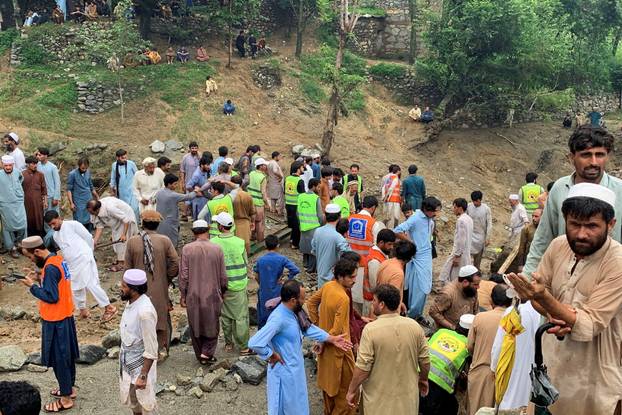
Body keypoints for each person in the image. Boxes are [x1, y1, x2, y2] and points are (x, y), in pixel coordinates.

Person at [507, 182, 622, 414]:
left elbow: (590, 323)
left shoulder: (617, 262)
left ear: (610, 225)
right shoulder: (559, 245)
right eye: (575, 224)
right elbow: (540, 292)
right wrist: (551, 311)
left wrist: (545, 300)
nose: (581, 234)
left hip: (591, 383)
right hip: (550, 373)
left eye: (592, 226)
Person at [524, 125, 622, 276]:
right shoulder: (559, 189)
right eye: (586, 155)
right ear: (571, 158)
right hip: (563, 279)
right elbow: (543, 239)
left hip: (608, 281)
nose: (594, 162)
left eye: (600, 155)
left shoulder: (619, 191)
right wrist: (528, 278)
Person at [248, 280, 352, 415]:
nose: (305, 301)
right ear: (292, 300)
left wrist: (330, 338)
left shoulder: (294, 312)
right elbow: (254, 342)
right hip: (284, 373)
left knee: (297, 406)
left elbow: (308, 328)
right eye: (302, 298)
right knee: (288, 408)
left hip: (294, 370)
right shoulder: (279, 319)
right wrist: (270, 354)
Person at [346, 284, 430, 413]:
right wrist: (423, 379)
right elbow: (424, 361)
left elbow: (363, 367)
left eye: (374, 300)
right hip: (407, 401)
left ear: (382, 304)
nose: (372, 303)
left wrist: (351, 390)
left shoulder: (371, 330)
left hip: (379, 403)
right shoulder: (414, 326)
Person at [19, 236, 79, 413]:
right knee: (67, 356)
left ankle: (66, 399)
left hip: (56, 320)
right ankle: (69, 388)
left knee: (59, 359)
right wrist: (40, 278)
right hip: (66, 316)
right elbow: (56, 286)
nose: (31, 260)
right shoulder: (57, 259)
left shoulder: (50, 268)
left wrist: (32, 287)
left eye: (30, 257)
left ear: (37, 251)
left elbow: (52, 297)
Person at [125, 210, 179, 360]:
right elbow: (175, 263)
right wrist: (166, 279)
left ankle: (141, 349)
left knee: (138, 317)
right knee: (161, 317)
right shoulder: (165, 240)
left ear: (142, 224)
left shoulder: (132, 241)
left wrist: (128, 287)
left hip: (137, 290)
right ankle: (161, 349)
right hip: (159, 287)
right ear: (158, 224)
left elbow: (127, 269)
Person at [306, 258, 358, 415]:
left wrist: (319, 330)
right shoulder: (343, 298)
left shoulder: (328, 286)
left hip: (326, 347)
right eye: (351, 277)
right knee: (347, 392)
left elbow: (310, 303)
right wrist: (325, 338)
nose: (355, 280)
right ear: (341, 276)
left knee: (329, 388)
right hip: (340, 348)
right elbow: (337, 328)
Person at [45, 210, 117, 322]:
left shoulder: (73, 225)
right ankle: (83, 311)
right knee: (75, 287)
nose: (53, 227)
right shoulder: (55, 236)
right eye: (50, 225)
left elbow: (88, 237)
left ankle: (109, 307)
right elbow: (63, 251)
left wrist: (89, 252)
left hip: (84, 258)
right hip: (72, 265)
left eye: (54, 223)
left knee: (91, 284)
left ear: (59, 218)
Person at [179, 219, 228, 364]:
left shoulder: (187, 249)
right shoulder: (217, 249)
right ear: (208, 230)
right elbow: (223, 276)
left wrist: (183, 294)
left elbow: (184, 275)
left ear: (194, 232)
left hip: (192, 294)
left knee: (195, 324)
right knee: (212, 323)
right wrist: (223, 290)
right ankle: (207, 352)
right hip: (212, 294)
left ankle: (200, 353)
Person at [210, 212, 252, 355]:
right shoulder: (239, 242)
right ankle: (243, 346)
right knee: (240, 317)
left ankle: (229, 343)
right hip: (239, 284)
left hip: (221, 287)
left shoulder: (213, 243)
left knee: (226, 316)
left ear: (220, 227)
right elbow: (246, 262)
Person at [119, 269, 158, 415]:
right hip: (128, 364)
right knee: (134, 402)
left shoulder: (145, 312)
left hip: (141, 369)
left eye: (124, 286)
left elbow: (152, 348)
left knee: (147, 404)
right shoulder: (131, 302)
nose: (120, 289)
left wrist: (143, 376)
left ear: (134, 290)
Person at [467, 285, 511, 415]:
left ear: (491, 301)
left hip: (480, 372)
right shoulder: (514, 322)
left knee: (475, 410)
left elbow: (470, 346)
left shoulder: (480, 317)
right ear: (510, 302)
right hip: (503, 376)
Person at [490, 300, 541, 411]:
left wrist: (494, 368)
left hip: (512, 369)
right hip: (535, 376)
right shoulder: (543, 314)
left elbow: (498, 346)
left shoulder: (513, 312)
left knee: (508, 402)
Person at [394, 196, 441, 317]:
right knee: (419, 287)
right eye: (434, 210)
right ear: (426, 209)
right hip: (418, 257)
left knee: (425, 286)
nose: (436, 213)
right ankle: (412, 314)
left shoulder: (429, 218)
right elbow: (397, 230)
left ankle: (417, 314)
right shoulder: (416, 218)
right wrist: (410, 242)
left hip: (426, 256)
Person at [420, 315, 472, 415]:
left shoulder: (442, 331)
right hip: (440, 383)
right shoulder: (468, 345)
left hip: (420, 372)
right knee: (451, 407)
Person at [254, 234, 300, 328]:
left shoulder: (261, 260)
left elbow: (256, 276)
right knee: (277, 316)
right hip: (277, 292)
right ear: (278, 245)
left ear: (265, 246)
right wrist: (287, 281)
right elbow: (295, 270)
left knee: (263, 317)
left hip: (264, 292)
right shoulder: (281, 259)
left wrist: (261, 283)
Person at [87, 197, 139, 272]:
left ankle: (122, 263)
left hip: (126, 218)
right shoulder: (93, 211)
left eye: (92, 212)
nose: (91, 214)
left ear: (97, 209)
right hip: (116, 222)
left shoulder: (110, 208)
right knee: (116, 240)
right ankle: (120, 260)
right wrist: (95, 241)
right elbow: (99, 226)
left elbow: (126, 219)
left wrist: (124, 234)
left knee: (122, 242)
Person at [312, 204, 352, 287]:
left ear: (325, 216)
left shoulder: (317, 231)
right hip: (332, 279)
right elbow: (350, 255)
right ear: (339, 216)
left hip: (320, 276)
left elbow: (314, 250)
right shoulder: (338, 236)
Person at [430, 265, 480, 330]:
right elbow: (433, 312)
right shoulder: (448, 294)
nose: (478, 287)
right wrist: (453, 327)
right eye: (475, 284)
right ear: (465, 282)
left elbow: (476, 310)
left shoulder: (472, 290)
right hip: (449, 331)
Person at [155, 174, 197, 247]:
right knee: (172, 245)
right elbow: (188, 197)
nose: (176, 186)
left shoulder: (159, 192)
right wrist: (196, 191)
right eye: (175, 184)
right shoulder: (172, 195)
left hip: (160, 223)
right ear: (169, 184)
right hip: (170, 224)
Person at [439, 198, 474, 284]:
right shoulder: (469, 218)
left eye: (454, 207)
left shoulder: (461, 220)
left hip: (460, 254)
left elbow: (461, 240)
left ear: (460, 208)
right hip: (465, 252)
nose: (453, 209)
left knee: (455, 277)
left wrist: (457, 256)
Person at [361, 229, 395, 316]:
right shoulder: (375, 261)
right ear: (381, 243)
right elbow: (374, 286)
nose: (392, 247)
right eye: (389, 244)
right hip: (372, 302)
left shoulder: (380, 254)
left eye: (393, 244)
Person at [376, 239, 416, 310]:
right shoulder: (398, 273)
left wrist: (401, 303)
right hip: (387, 313)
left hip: (378, 305)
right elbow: (392, 300)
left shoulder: (386, 262)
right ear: (409, 259)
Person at [0, 155, 26, 258]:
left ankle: (20, 244)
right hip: (5, 204)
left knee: (23, 224)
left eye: (10, 165)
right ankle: (11, 248)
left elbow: (20, 181)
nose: (8, 167)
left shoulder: (17, 172)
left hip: (18, 203)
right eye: (6, 165)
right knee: (8, 227)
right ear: (2, 164)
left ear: (13, 165)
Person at [298, 178, 324, 273]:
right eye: (318, 187)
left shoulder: (300, 196)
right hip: (314, 226)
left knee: (304, 246)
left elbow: (298, 212)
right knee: (313, 249)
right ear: (313, 186)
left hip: (303, 225)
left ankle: (305, 264)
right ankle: (311, 269)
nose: (319, 189)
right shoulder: (316, 198)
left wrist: (301, 222)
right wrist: (320, 225)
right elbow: (320, 215)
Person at [67, 157, 98, 231]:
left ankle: (89, 235)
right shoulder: (72, 174)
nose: (84, 170)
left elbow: (91, 186)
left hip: (88, 199)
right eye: (82, 168)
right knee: (79, 220)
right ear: (79, 166)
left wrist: (96, 196)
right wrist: (71, 203)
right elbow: (69, 190)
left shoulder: (88, 172)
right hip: (78, 201)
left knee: (90, 219)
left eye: (86, 168)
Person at [229, 175, 256, 254]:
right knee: (245, 246)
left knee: (234, 247)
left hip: (233, 223)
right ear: (241, 184)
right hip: (245, 223)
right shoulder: (247, 195)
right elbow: (253, 212)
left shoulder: (230, 197)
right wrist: (252, 222)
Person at [110, 149, 139, 221]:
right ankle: (127, 226)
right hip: (121, 192)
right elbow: (113, 178)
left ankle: (136, 226)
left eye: (126, 157)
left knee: (135, 208)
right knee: (124, 210)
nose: (125, 159)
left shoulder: (131, 163)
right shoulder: (114, 165)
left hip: (132, 191)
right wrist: (112, 189)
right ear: (117, 158)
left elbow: (138, 175)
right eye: (123, 158)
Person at [22, 156, 47, 238]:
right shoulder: (22, 175)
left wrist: (45, 201)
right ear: (28, 164)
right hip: (26, 203)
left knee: (39, 221)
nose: (35, 165)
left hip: (38, 203)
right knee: (29, 221)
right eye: (33, 164)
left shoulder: (40, 175)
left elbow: (44, 189)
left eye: (36, 163)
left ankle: (41, 240)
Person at [466, 190, 492, 269]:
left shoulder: (486, 209)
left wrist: (488, 238)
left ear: (480, 200)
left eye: (476, 201)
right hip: (470, 234)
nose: (475, 203)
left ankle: (476, 271)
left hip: (481, 236)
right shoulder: (469, 206)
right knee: (468, 256)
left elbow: (489, 224)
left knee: (478, 257)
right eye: (473, 201)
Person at [284, 160, 306, 249]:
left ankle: (292, 239)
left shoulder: (287, 178)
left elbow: (284, 191)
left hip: (288, 205)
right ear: (298, 169)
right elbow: (303, 195)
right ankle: (295, 244)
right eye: (302, 167)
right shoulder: (300, 181)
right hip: (296, 206)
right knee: (297, 226)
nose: (303, 168)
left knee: (292, 224)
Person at [248, 157, 270, 242]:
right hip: (258, 203)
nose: (266, 166)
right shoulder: (262, 177)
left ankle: (251, 237)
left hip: (250, 201)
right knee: (259, 222)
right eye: (265, 165)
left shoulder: (251, 173)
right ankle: (260, 240)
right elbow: (263, 193)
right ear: (261, 166)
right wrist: (267, 204)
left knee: (251, 220)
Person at [180, 141, 200, 221]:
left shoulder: (200, 157)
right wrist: (182, 182)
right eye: (192, 148)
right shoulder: (185, 157)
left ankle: (193, 215)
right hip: (188, 181)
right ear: (190, 149)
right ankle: (184, 215)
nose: (194, 150)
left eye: (195, 148)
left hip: (198, 182)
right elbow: (182, 171)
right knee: (188, 198)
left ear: (198, 148)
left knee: (196, 197)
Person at [186, 155, 211, 220]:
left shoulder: (204, 171)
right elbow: (188, 186)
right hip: (199, 201)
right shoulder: (197, 175)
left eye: (209, 165)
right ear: (202, 165)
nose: (209, 167)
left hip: (204, 199)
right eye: (207, 165)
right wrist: (196, 192)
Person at [267, 151, 284, 216]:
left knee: (273, 198)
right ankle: (279, 212)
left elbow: (267, 171)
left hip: (272, 182)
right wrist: (281, 176)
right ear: (275, 156)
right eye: (279, 156)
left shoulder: (269, 163)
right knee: (279, 198)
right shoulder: (274, 163)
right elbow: (275, 171)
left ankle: (273, 210)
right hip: (276, 183)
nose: (279, 158)